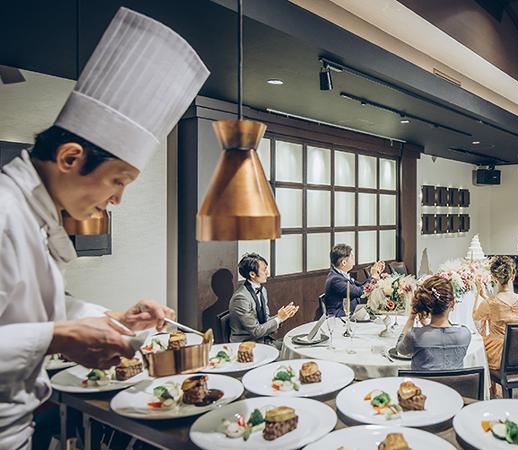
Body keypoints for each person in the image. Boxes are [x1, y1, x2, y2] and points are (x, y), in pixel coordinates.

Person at [0, 8, 208, 449]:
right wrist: (58, 336)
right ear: (70, 158)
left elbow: (19, 312)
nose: (116, 199)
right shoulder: (4, 209)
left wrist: (112, 319)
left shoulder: (32, 212)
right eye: (118, 181)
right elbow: (38, 328)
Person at [396, 275, 471, 370]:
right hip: (452, 385)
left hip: (422, 385)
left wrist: (411, 317)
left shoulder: (415, 336)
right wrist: (426, 324)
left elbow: (400, 349)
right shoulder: (464, 334)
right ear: (452, 304)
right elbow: (442, 335)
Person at [229, 253, 298, 345]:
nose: (267, 273)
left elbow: (265, 321)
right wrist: (279, 318)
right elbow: (256, 331)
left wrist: (284, 316)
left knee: (295, 344)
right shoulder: (241, 298)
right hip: (246, 345)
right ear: (252, 274)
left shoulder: (262, 290)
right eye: (264, 270)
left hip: (263, 340)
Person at [473, 256, 518, 370]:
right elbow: (502, 309)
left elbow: (476, 317)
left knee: (476, 349)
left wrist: (478, 294)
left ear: (493, 278)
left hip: (498, 355)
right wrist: (485, 296)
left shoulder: (490, 303)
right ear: (512, 277)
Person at [323, 244, 384, 317]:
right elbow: (359, 291)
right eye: (352, 258)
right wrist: (373, 277)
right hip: (340, 318)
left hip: (351, 314)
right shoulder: (335, 280)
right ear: (344, 263)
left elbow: (360, 286)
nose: (353, 260)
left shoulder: (341, 275)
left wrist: (373, 276)